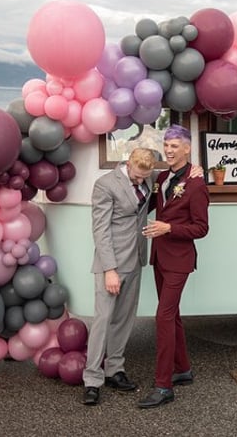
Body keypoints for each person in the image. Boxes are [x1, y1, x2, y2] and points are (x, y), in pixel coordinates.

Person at [138, 124, 210, 409]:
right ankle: (183, 369)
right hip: (160, 257)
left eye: (174, 145)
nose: (168, 150)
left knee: (163, 317)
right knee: (173, 315)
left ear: (187, 148)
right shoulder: (164, 177)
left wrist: (169, 227)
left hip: (180, 260)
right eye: (166, 145)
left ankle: (163, 385)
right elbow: (151, 200)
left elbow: (201, 228)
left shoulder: (197, 184)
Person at [82, 148, 156, 406]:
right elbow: (100, 230)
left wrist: (196, 170)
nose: (140, 181)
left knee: (124, 319)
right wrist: (109, 269)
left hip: (135, 259)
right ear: (127, 164)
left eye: (144, 177)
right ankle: (92, 380)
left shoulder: (149, 176)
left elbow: (169, 178)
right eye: (137, 176)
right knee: (103, 320)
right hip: (111, 263)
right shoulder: (105, 185)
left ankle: (115, 370)